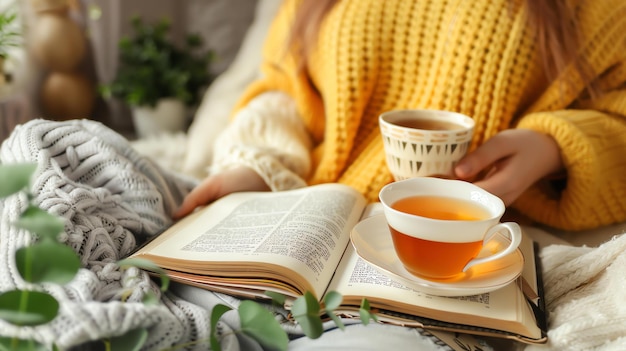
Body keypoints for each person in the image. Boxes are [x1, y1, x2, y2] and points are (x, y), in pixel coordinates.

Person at [174, 0, 626, 232]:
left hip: (456, 245)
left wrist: (555, 147)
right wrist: (257, 165)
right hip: (315, 220)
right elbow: (286, 90)